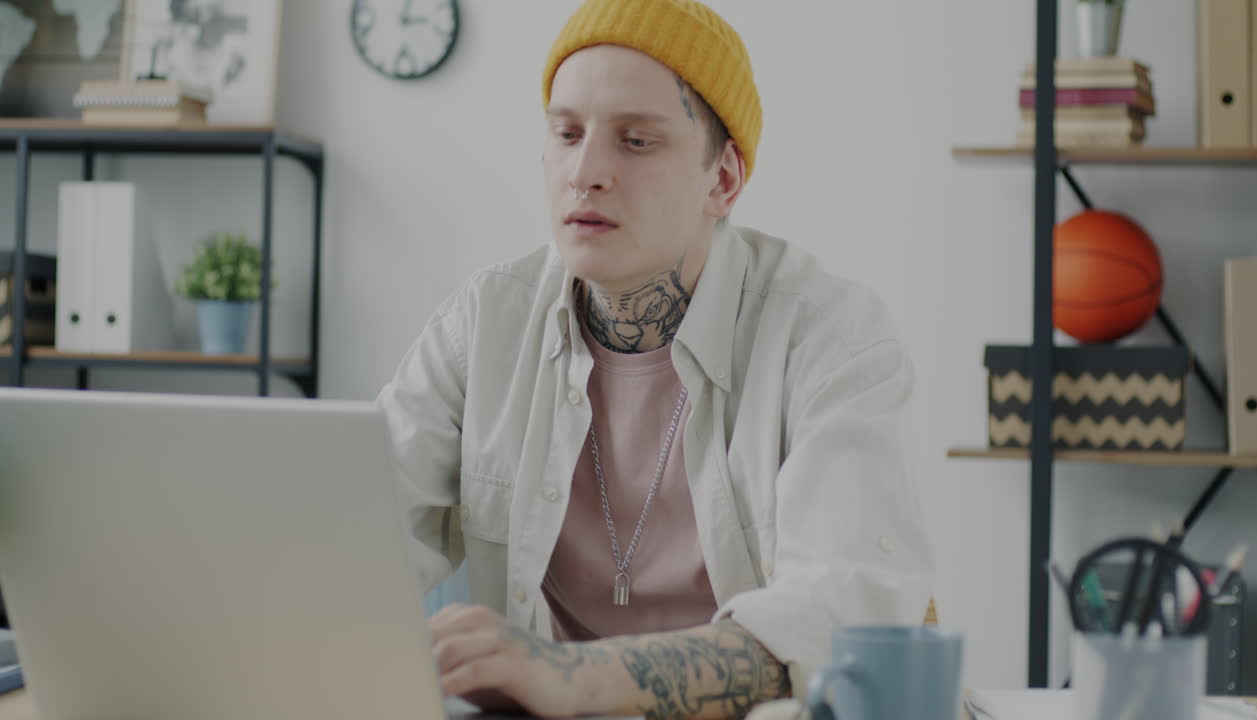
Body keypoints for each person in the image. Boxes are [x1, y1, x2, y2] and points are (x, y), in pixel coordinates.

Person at [376, 0, 935, 717]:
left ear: (723, 180)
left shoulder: (830, 335)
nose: (585, 172)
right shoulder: (482, 324)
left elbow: (841, 619)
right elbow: (348, 543)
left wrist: (575, 677)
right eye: (567, 133)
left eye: (636, 141)